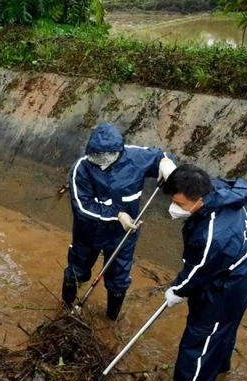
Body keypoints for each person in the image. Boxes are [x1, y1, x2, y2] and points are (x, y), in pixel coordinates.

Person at [162, 164, 247, 381]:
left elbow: (196, 273)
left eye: (180, 204)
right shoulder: (219, 190)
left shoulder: (212, 235)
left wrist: (177, 291)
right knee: (225, 329)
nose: (174, 208)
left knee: (199, 341)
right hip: (245, 275)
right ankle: (220, 368)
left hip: (225, 291)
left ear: (199, 201)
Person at [61, 122, 176, 320]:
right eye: (97, 156)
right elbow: (82, 207)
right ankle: (65, 308)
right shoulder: (81, 168)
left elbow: (161, 156)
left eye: (107, 156)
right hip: (88, 233)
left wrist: (167, 164)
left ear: (118, 151)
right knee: (77, 271)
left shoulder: (135, 157)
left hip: (123, 235)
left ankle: (111, 320)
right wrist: (117, 215)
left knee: (118, 279)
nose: (101, 161)